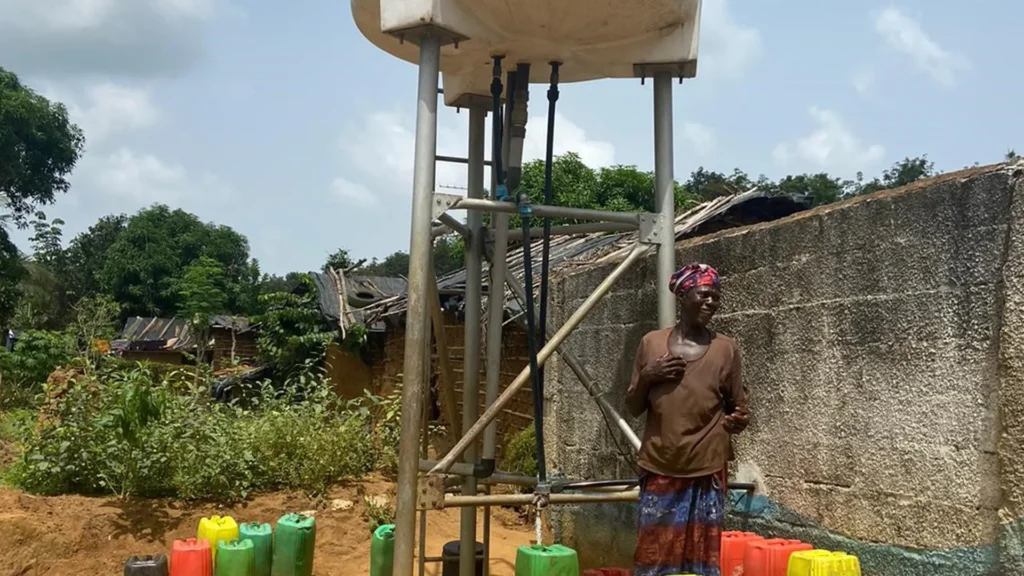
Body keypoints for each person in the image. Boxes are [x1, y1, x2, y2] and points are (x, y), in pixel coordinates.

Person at [626, 263, 750, 576]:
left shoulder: (726, 349)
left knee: (702, 561)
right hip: (660, 464)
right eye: (704, 295)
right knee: (654, 558)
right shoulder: (651, 344)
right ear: (683, 295)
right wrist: (648, 376)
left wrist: (738, 420)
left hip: (707, 467)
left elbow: (739, 408)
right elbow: (633, 407)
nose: (711, 302)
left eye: (716, 297)